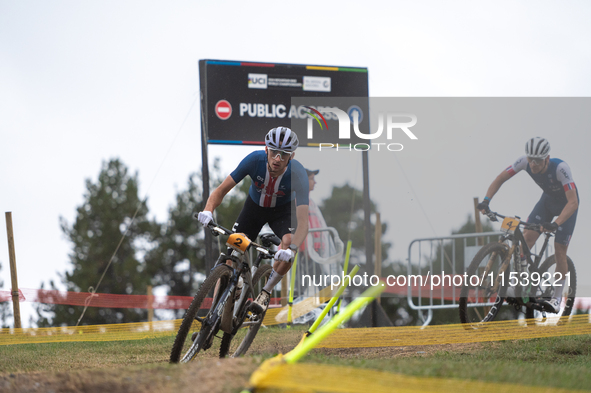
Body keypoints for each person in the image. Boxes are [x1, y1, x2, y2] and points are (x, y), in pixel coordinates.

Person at [197, 127, 309, 315]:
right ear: (266, 150)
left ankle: (266, 292)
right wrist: (208, 210)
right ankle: (212, 314)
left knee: (289, 241)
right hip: (254, 209)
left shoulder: (298, 174)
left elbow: (303, 222)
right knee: (232, 252)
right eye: (274, 152)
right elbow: (221, 190)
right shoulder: (254, 160)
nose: (278, 159)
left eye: (284, 154)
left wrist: (292, 249)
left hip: (281, 213)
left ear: (292, 156)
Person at [477, 137, 579, 313]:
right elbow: (500, 178)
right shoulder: (524, 162)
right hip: (547, 202)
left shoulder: (561, 169)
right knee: (525, 241)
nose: (533, 164)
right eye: (530, 159)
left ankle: (555, 298)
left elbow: (573, 202)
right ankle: (522, 288)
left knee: (560, 250)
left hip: (567, 207)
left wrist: (556, 223)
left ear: (547, 158)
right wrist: (486, 201)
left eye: (537, 161)